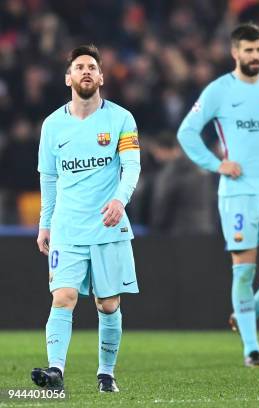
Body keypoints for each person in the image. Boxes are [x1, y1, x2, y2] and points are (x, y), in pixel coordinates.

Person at [177, 23, 259, 367]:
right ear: (235, 53)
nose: (256, 56)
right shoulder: (219, 91)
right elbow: (187, 132)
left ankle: (244, 314)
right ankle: (252, 349)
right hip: (238, 194)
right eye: (249, 50)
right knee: (243, 270)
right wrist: (216, 164)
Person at [32, 45, 141, 392]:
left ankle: (106, 373)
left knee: (108, 305)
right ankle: (55, 372)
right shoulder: (52, 125)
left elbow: (132, 166)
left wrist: (120, 201)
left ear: (102, 77)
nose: (86, 71)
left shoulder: (122, 119)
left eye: (92, 66)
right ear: (68, 78)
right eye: (79, 67)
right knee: (62, 296)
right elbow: (48, 179)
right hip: (67, 227)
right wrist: (44, 223)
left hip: (108, 226)